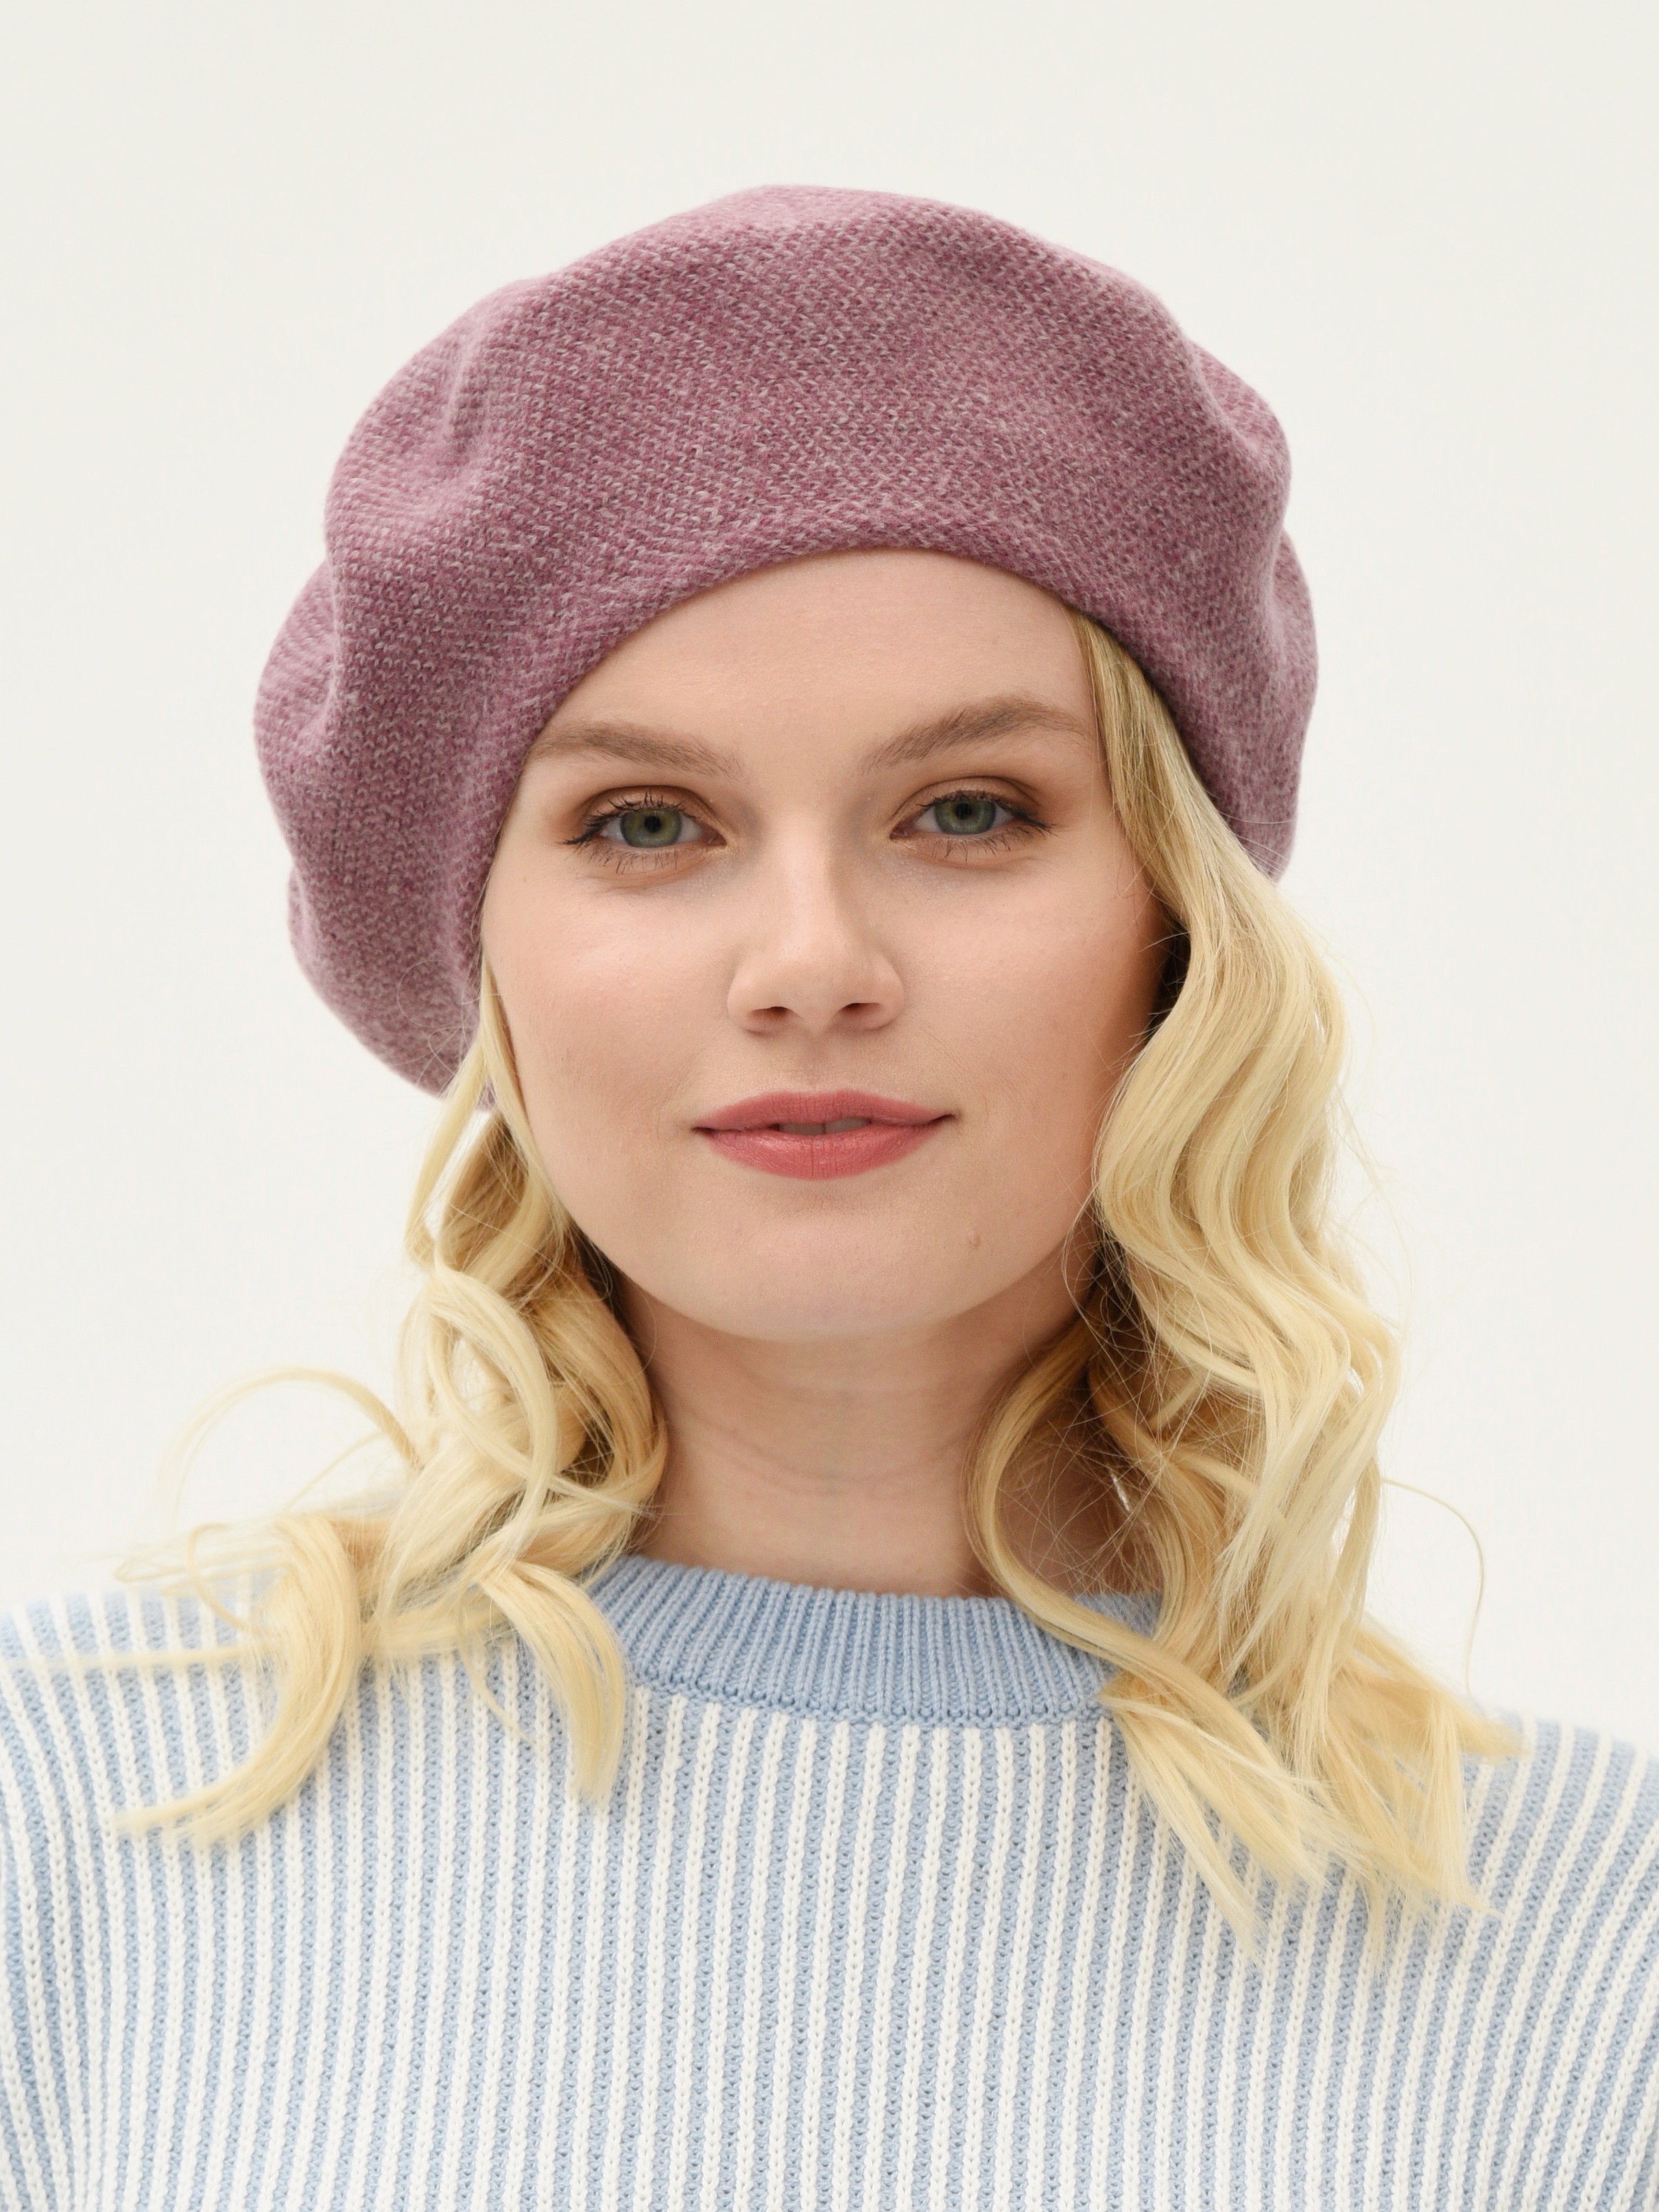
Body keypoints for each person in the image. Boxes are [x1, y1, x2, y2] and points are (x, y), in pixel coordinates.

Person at [2, 185, 1655, 2211]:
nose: (810, 962)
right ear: (477, 948)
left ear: (1175, 921)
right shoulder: (69, 1821)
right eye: (646, 822)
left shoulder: (1594, 1963)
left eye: (966, 810)